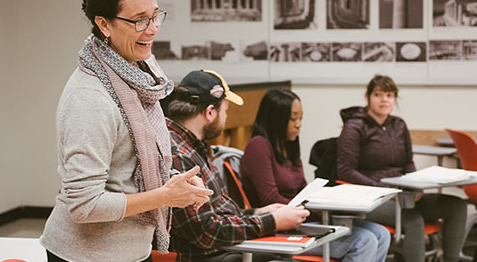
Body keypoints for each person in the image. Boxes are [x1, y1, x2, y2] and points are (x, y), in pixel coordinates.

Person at [39, 0, 213, 261]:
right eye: (139, 20)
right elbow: (84, 205)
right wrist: (164, 196)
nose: (153, 28)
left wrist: (172, 182)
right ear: (104, 24)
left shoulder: (139, 76)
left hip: (132, 250)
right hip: (86, 255)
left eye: (156, 16)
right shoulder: (91, 98)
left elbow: (131, 167)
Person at [166, 70, 311, 262]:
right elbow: (206, 231)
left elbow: (219, 214)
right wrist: (272, 221)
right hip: (208, 256)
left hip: (223, 251)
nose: (226, 118)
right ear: (210, 112)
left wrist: (258, 213)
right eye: (225, 111)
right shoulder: (179, 154)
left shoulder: (191, 146)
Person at [241, 88, 391, 262]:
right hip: (279, 228)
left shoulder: (288, 145)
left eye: (301, 118)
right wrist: (311, 210)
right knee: (364, 241)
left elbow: (303, 188)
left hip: (303, 220)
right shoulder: (258, 146)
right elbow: (270, 199)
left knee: (382, 234)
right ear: (276, 119)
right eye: (293, 118)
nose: (299, 124)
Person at [337, 74, 467, 262]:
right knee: (414, 220)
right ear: (368, 98)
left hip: (403, 194)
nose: (384, 100)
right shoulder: (354, 127)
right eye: (378, 95)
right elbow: (345, 171)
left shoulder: (398, 125)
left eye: (389, 95)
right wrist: (384, 190)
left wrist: (416, 187)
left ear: (395, 99)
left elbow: (407, 163)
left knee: (457, 205)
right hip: (372, 198)